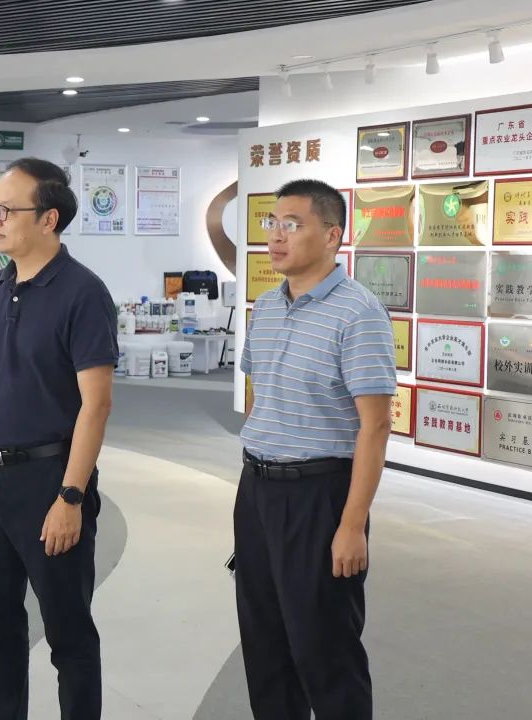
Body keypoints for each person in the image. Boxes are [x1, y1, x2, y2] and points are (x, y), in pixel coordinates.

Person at [0, 158, 117, 720]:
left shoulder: (83, 293)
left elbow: (96, 404)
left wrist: (71, 496)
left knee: (68, 634)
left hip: (49, 482)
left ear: (48, 219)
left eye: (5, 209)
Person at [237, 179, 396, 720]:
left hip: (319, 497)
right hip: (257, 491)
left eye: (292, 224)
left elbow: (375, 426)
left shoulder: (358, 313)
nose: (275, 237)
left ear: (332, 236)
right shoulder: (266, 307)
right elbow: (261, 396)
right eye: (271, 223)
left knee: (325, 649)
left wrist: (351, 526)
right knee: (264, 643)